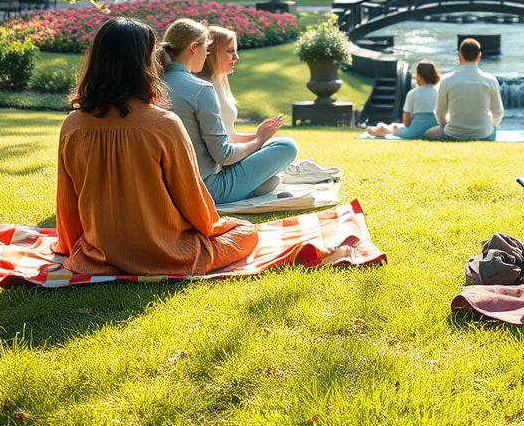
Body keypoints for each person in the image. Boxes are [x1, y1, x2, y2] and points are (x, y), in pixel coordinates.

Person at [54, 17, 260, 275]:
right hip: (170, 254)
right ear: (146, 63)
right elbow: (194, 203)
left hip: (100, 253)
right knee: (247, 232)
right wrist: (219, 228)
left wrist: (69, 246)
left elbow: (67, 201)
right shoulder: (165, 123)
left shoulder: (72, 124)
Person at [160, 18, 298, 204]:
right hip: (206, 190)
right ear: (193, 48)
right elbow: (224, 156)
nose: (207, 54)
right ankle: (249, 188)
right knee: (287, 146)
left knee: (270, 177)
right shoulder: (201, 89)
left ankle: (252, 186)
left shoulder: (152, 85)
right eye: (206, 48)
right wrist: (259, 140)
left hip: (164, 189)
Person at [199, 25, 339, 183]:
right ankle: (286, 172)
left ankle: (285, 171)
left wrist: (259, 136)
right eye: (230, 51)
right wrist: (258, 140)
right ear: (212, 52)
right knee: (287, 147)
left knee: (275, 152)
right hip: (220, 169)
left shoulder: (219, 82)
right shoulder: (206, 89)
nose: (236, 57)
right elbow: (222, 150)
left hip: (228, 158)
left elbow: (227, 136)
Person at [426, 38, 504, 141]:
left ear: (459, 55)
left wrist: (445, 126)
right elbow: (498, 113)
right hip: (484, 135)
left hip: (453, 135)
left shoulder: (447, 80)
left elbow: (440, 113)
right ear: (479, 56)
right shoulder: (490, 80)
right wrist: (490, 127)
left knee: (428, 133)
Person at [366, 61, 441, 139]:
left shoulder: (413, 93)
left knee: (395, 129)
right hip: (434, 129)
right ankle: (384, 128)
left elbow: (406, 118)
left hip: (415, 132)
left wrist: (407, 126)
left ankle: (382, 129)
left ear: (419, 76)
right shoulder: (438, 92)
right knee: (397, 126)